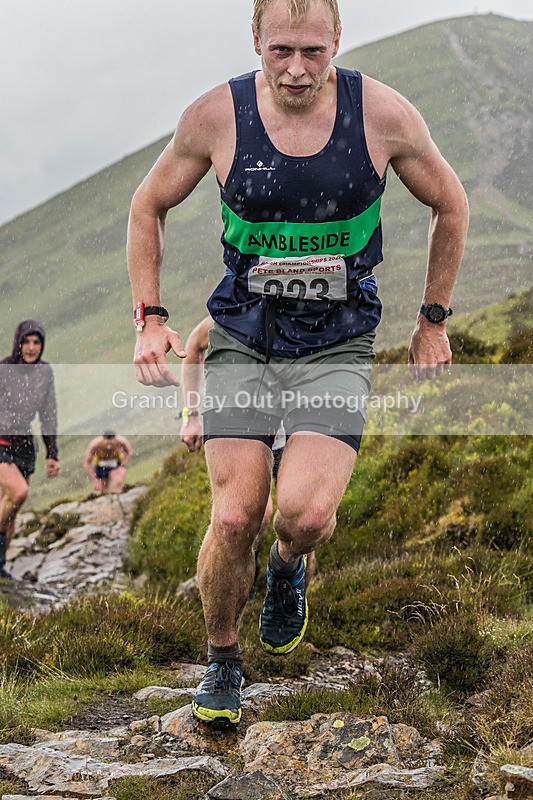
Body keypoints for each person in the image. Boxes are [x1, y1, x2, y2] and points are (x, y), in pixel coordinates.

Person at [127, 0, 469, 726]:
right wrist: (150, 317)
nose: (295, 69)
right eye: (279, 49)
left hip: (337, 337)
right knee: (233, 515)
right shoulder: (215, 117)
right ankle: (222, 659)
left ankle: (287, 571)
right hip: (245, 335)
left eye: (313, 51)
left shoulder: (381, 114)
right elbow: (147, 204)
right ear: (254, 40)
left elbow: (451, 203)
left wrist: (431, 321)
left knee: (306, 515)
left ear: (338, 41)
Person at [179, 315, 317, 588]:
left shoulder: (309, 314)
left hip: (292, 431)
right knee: (254, 516)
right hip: (249, 430)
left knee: (303, 520)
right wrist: (190, 414)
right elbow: (194, 346)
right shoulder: (235, 313)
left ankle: (295, 590)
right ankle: (247, 576)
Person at [0, 321, 60, 579]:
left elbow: (48, 414)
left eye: (37, 342)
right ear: (18, 343)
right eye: (27, 342)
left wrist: (52, 453)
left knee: (11, 509)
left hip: (25, 445)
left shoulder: (45, 372)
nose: (32, 347)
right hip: (1, 441)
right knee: (19, 492)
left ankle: (1, 565)